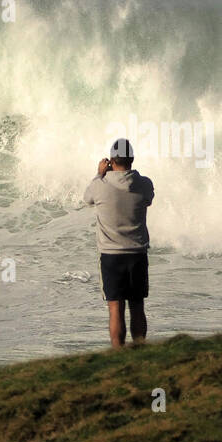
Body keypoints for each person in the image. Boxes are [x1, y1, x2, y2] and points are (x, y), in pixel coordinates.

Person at [83, 138, 155, 348]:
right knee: (137, 306)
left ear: (111, 161)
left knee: (115, 308)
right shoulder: (144, 184)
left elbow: (86, 199)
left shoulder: (100, 185)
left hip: (111, 255)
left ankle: (118, 354)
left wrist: (99, 173)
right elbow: (148, 198)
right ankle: (140, 349)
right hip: (137, 254)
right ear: (131, 159)